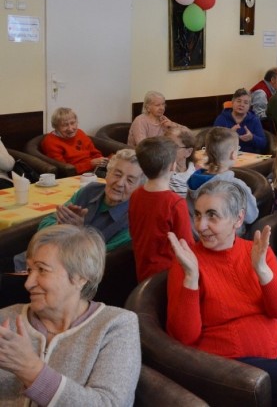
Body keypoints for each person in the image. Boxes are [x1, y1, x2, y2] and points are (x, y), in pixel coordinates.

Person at [167, 181, 277, 406]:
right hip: (230, 360)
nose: (201, 226)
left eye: (212, 216)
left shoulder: (254, 250)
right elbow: (184, 338)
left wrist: (262, 271)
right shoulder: (187, 263)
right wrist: (191, 279)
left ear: (238, 219)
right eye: (197, 215)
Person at [0, 225, 141, 405]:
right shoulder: (6, 318)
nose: (28, 283)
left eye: (42, 270)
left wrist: (30, 369)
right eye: (29, 270)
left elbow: (110, 404)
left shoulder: (116, 326)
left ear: (80, 277)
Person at [13, 149, 145, 272]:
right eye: (117, 174)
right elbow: (46, 222)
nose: (120, 183)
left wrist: (77, 233)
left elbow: (98, 261)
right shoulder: (90, 191)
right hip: (31, 259)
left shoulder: (134, 219)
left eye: (130, 180)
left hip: (61, 274)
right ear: (107, 173)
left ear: (139, 187)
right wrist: (62, 225)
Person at [129, 137, 194, 281]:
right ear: (172, 166)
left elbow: (134, 231)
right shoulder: (175, 203)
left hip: (142, 268)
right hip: (168, 274)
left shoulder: (135, 195)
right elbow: (187, 245)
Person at [187, 127, 259, 227]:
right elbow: (251, 216)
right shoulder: (237, 185)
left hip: (197, 234)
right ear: (233, 154)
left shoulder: (193, 180)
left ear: (206, 151)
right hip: (227, 238)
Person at [40, 107, 108, 174]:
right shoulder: (51, 142)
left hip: (94, 168)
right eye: (65, 125)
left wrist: (102, 161)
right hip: (77, 174)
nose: (70, 128)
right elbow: (64, 169)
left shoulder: (80, 133)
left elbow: (94, 152)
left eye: (72, 123)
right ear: (56, 127)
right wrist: (90, 164)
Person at [214, 88, 268, 154]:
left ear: (249, 106)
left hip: (250, 158)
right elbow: (213, 143)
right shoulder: (222, 118)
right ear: (232, 102)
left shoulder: (254, 120)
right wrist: (228, 135)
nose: (241, 105)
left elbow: (263, 144)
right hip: (226, 156)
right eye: (239, 101)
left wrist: (252, 138)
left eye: (246, 103)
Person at [164, 124, 196, 197]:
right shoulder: (160, 173)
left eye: (174, 146)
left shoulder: (195, 175)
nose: (167, 149)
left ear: (188, 152)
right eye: (165, 145)